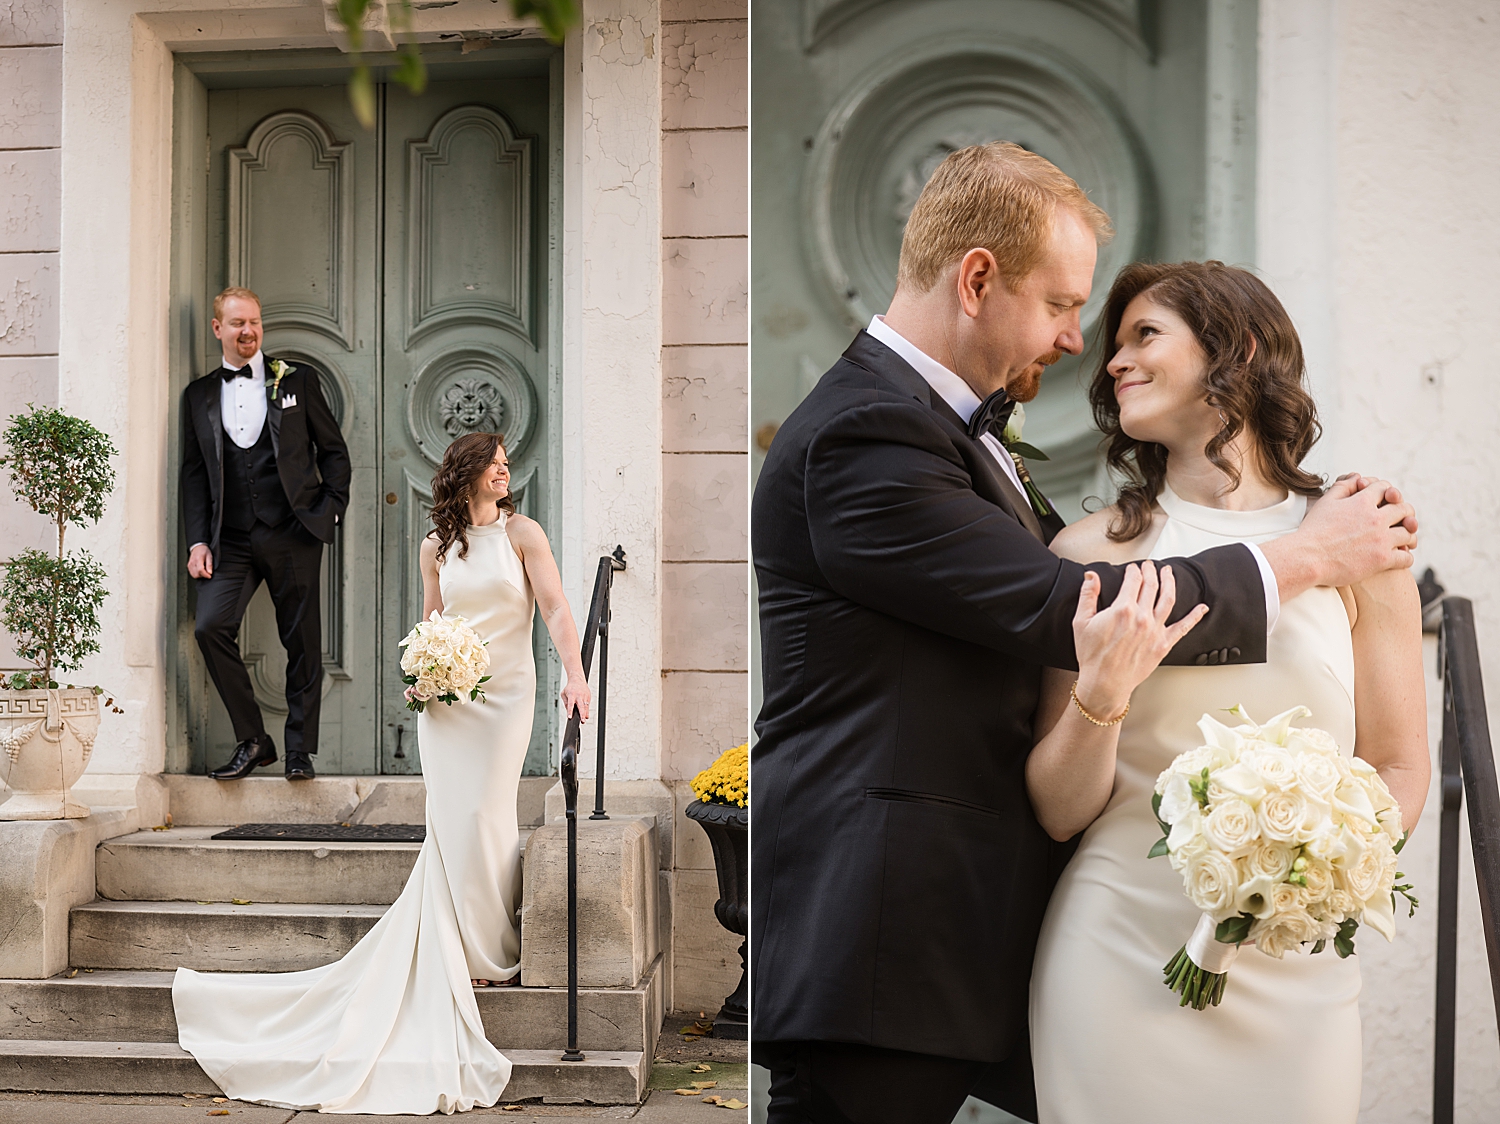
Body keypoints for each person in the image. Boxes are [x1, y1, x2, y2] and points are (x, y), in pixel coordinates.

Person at [749, 143, 1419, 1124]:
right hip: (890, 938)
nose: (1080, 342)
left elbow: (1398, 762)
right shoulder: (866, 433)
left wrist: (1313, 858)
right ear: (978, 278)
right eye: (1065, 305)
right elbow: (1066, 606)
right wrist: (1309, 560)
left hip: (963, 941)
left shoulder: (946, 433)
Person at [1026, 261, 1429, 1123]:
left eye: (1145, 336)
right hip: (1116, 947)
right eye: (1113, 347)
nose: (1113, 364)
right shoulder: (1089, 557)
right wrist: (1103, 693)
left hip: (1299, 961)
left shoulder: (1361, 543)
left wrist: (1314, 872)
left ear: (1236, 348)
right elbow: (1060, 810)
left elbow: (1397, 767)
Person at [174, 432, 591, 1114]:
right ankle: (466, 952)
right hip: (448, 705)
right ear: (467, 473)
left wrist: (575, 678)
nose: (505, 471)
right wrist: (421, 672)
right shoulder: (436, 545)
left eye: (507, 465)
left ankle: (490, 951)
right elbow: (432, 619)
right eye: (496, 464)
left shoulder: (524, 532)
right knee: (454, 819)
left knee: (488, 814)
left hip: (507, 696)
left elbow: (555, 608)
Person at [180, 286, 351, 781]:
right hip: (228, 538)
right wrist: (197, 541)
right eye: (237, 324)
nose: (248, 331)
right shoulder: (199, 395)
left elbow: (334, 453)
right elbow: (194, 474)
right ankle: (254, 740)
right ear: (218, 329)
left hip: (292, 530)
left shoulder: (297, 380)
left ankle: (300, 751)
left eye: (254, 322)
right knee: (211, 627)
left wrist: (328, 512)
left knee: (301, 640)